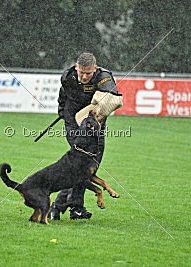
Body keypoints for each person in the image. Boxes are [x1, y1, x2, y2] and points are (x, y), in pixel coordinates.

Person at [49, 52, 119, 220]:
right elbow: (63, 95)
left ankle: (76, 208)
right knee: (79, 168)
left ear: (94, 69)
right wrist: (62, 113)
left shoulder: (103, 77)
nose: (85, 76)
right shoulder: (68, 77)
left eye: (88, 73)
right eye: (82, 72)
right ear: (76, 68)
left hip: (95, 124)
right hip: (73, 120)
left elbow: (113, 96)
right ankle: (58, 207)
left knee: (88, 169)